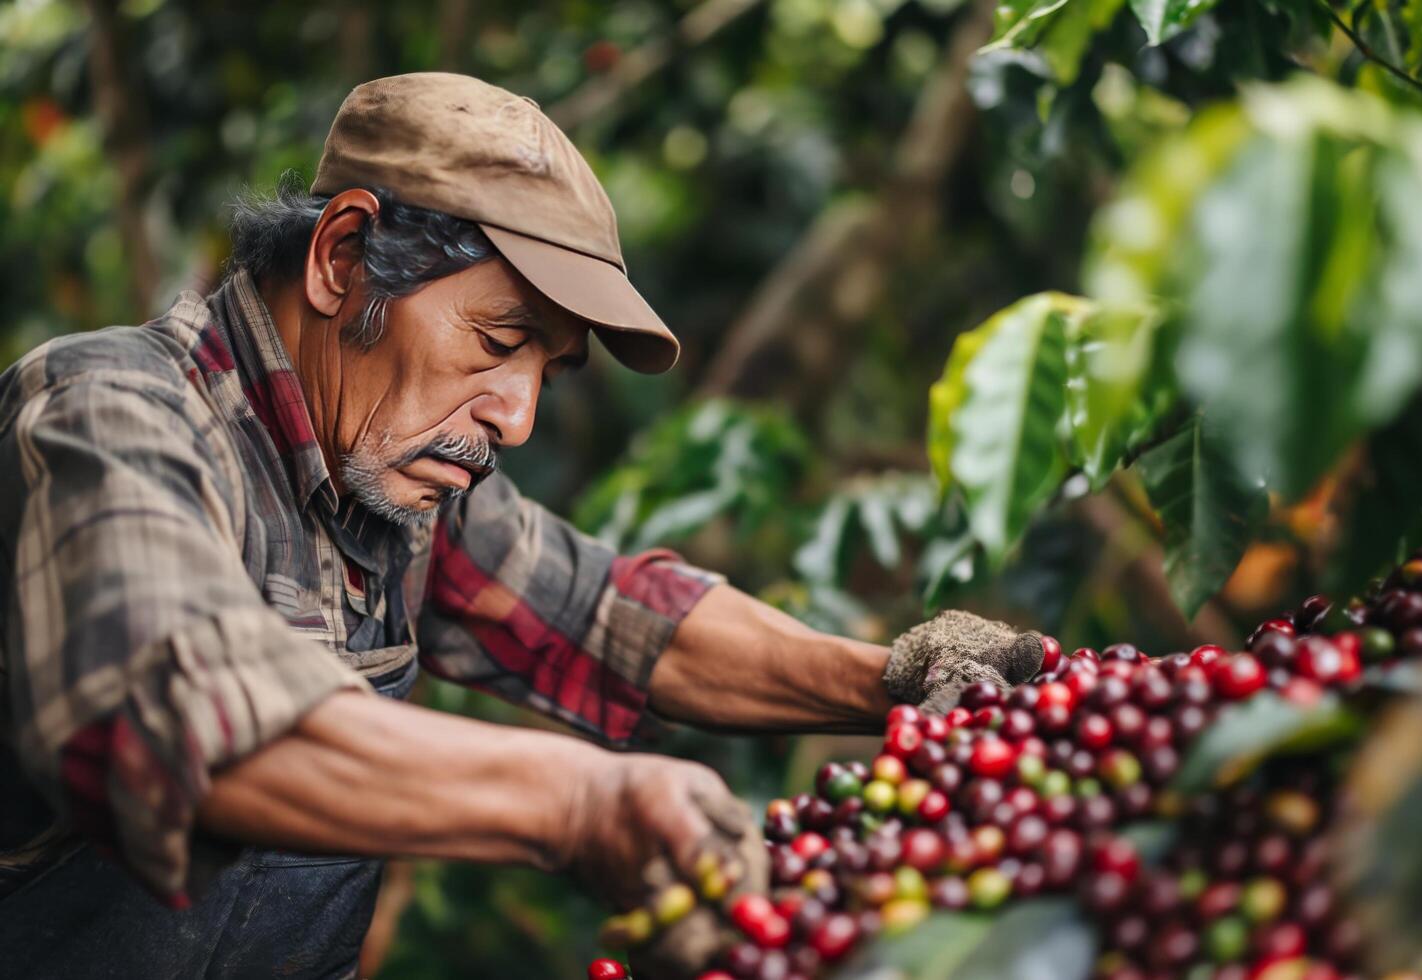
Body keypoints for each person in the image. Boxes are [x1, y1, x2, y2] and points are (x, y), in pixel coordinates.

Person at [0, 73, 1041, 978]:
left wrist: (897, 676)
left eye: (547, 366)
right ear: (342, 256)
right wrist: (583, 801)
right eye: (499, 340)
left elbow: (610, 617)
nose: (518, 414)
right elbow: (159, 719)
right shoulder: (112, 413)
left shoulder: (387, 475)